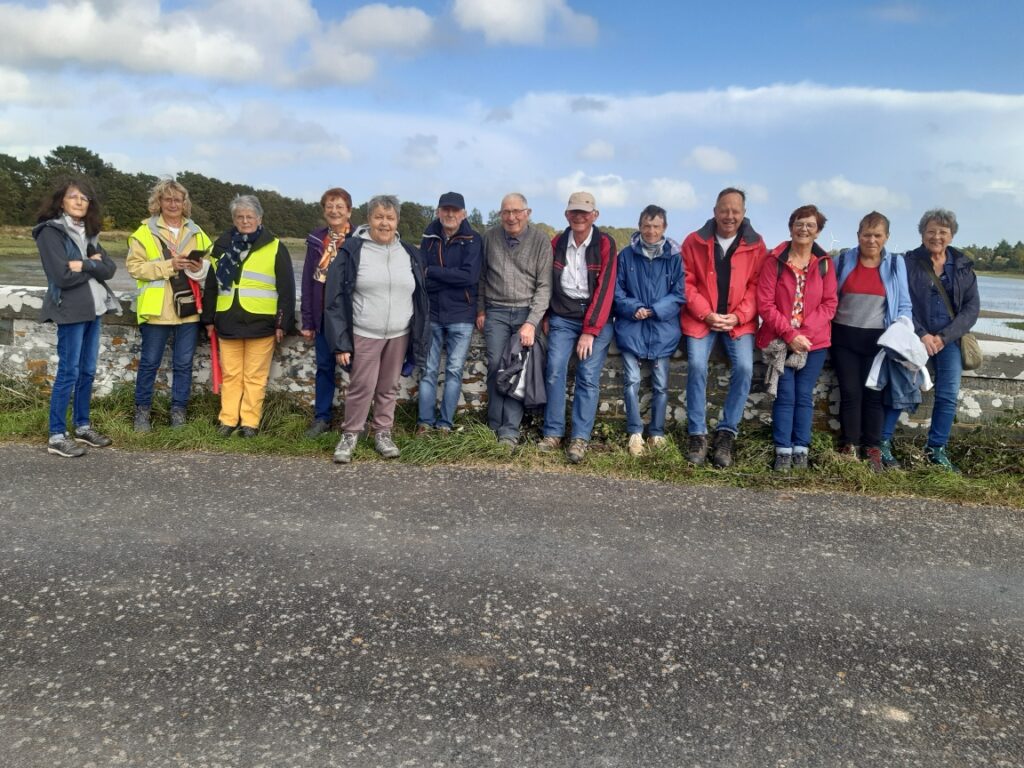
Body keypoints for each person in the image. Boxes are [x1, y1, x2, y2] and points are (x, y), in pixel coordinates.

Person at [325, 195, 430, 464]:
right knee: (361, 386)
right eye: (379, 217)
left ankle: (383, 432)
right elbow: (335, 298)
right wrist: (341, 341)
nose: (385, 223)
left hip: (399, 333)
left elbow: (420, 297)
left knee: (389, 387)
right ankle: (350, 434)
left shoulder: (409, 252)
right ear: (369, 219)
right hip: (364, 331)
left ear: (397, 221)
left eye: (390, 217)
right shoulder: (352, 251)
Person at [881, 208, 980, 472]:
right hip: (915, 337)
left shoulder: (963, 267)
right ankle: (882, 444)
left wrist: (944, 337)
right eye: (931, 231)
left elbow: (971, 309)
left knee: (947, 395)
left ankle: (936, 449)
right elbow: (901, 302)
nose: (937, 236)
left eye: (943, 232)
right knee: (900, 390)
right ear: (922, 234)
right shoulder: (908, 262)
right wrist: (922, 333)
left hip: (949, 341)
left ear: (951, 235)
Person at [682, 188, 767, 468]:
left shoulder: (756, 245)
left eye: (735, 211)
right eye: (724, 210)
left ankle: (727, 432)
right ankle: (697, 433)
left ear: (743, 213)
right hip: (701, 318)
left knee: (744, 367)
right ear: (715, 210)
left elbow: (758, 286)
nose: (729, 216)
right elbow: (686, 282)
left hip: (736, 321)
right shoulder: (694, 241)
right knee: (696, 365)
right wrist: (705, 313)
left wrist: (738, 316)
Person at [34, 177, 117, 457]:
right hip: (70, 310)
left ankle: (82, 427)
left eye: (84, 198)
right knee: (69, 372)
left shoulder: (89, 233)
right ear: (61, 201)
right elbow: (61, 276)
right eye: (73, 197)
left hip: (94, 310)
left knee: (88, 371)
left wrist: (85, 263)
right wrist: (94, 266)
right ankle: (57, 435)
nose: (80, 201)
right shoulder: (50, 233)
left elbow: (109, 269)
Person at [200, 195, 294, 437]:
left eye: (249, 216)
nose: (245, 221)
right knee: (231, 375)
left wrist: (282, 323)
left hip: (261, 321)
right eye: (240, 217)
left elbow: (286, 288)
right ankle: (228, 421)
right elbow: (211, 286)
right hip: (228, 319)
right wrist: (208, 319)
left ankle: (249, 423)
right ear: (233, 219)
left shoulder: (274, 246)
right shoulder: (221, 246)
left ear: (259, 219)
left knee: (255, 376)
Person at [756, 205, 838, 471]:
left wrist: (804, 333)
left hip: (814, 342)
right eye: (799, 224)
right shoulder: (774, 260)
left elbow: (829, 304)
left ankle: (801, 449)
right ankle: (783, 450)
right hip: (781, 340)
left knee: (804, 395)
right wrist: (790, 335)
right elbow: (765, 304)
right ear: (791, 227)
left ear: (818, 231)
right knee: (785, 394)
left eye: (810, 225)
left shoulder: (825, 263)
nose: (804, 229)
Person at [538, 191, 617, 464]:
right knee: (555, 369)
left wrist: (590, 330)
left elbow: (606, 288)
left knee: (587, 375)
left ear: (595, 215)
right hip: (563, 316)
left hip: (596, 319)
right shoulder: (557, 242)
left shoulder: (605, 243)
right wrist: (546, 315)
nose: (579, 217)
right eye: (574, 212)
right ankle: (553, 433)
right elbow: (547, 281)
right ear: (566, 215)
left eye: (584, 212)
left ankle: (580, 438)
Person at [127, 178, 212, 431]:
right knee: (150, 362)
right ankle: (142, 413)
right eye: (168, 199)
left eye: (178, 199)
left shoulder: (197, 232)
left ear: (184, 203)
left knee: (184, 364)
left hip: (188, 309)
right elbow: (134, 268)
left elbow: (212, 264)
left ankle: (179, 413)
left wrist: (200, 267)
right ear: (159, 202)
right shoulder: (143, 232)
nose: (173, 204)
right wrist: (169, 266)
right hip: (156, 310)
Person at [831, 212, 913, 471]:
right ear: (858, 236)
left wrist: (901, 329)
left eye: (878, 235)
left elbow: (904, 305)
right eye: (867, 234)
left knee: (874, 395)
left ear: (886, 237)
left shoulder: (895, 265)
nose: (872, 240)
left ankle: (873, 447)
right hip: (843, 338)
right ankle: (849, 445)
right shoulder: (842, 260)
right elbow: (828, 297)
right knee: (850, 393)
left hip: (877, 342)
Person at [476, 193, 552, 449]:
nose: (511, 217)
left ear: (527, 213)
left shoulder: (541, 240)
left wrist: (531, 322)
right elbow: (481, 277)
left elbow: (544, 287)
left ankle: (509, 432)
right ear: (500, 214)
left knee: (519, 368)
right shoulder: (489, 237)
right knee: (497, 364)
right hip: (496, 310)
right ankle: (493, 427)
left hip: (525, 312)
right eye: (506, 212)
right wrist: (480, 309)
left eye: (517, 211)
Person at [613, 205, 685, 457]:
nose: (651, 231)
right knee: (631, 380)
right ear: (639, 226)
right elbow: (616, 291)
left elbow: (679, 293)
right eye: (646, 226)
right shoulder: (625, 256)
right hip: (631, 327)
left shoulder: (675, 257)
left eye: (656, 226)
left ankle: (657, 433)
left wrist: (654, 310)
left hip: (662, 329)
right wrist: (635, 308)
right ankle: (634, 432)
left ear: (664, 228)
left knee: (661, 385)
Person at [416, 191, 483, 435]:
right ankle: (424, 422)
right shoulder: (429, 236)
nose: (450, 214)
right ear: (438, 211)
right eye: (445, 209)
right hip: (432, 312)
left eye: (455, 210)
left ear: (463, 213)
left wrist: (434, 272)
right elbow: (421, 274)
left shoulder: (474, 239)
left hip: (462, 315)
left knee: (454, 371)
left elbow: (470, 277)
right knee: (428, 370)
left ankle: (445, 424)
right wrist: (444, 276)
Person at [300, 187, 353, 437]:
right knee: (324, 368)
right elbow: (308, 283)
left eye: (339, 207)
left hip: (349, 317)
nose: (334, 211)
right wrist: (308, 320)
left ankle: (355, 422)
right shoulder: (316, 240)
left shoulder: (358, 239)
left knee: (356, 370)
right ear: (324, 210)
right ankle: (322, 419)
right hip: (322, 316)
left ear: (349, 211)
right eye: (330, 206)